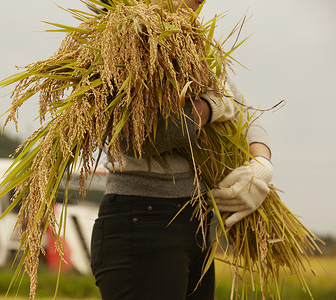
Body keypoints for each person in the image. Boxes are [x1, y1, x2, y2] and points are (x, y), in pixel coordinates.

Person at [89, 0, 273, 299]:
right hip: (143, 222)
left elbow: (244, 111)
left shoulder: (195, 44)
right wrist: (207, 109)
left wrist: (261, 163)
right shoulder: (121, 39)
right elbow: (138, 139)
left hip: (196, 221)